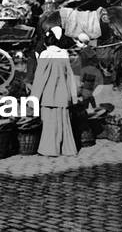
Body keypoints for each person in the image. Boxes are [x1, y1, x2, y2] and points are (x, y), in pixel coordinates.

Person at [31, 28, 78, 157]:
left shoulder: (45, 55)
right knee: (64, 123)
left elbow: (40, 78)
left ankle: (49, 149)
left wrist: (34, 98)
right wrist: (73, 97)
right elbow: (70, 76)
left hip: (48, 95)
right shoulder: (64, 54)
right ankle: (67, 149)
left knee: (49, 124)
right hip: (63, 95)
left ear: (46, 42)